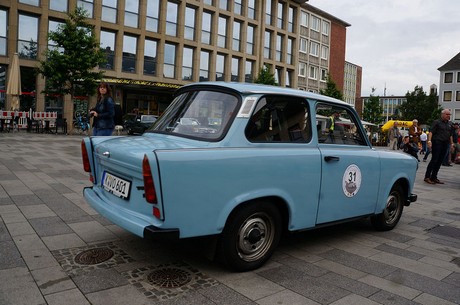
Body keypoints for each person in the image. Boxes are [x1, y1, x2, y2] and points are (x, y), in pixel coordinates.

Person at [424, 109, 455, 184]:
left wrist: (452, 144)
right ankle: (427, 177)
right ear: (443, 114)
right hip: (437, 142)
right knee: (434, 160)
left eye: (449, 115)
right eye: (447, 114)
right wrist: (429, 141)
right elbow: (431, 132)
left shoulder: (450, 124)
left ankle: (434, 177)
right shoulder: (437, 122)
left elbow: (450, 135)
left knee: (440, 161)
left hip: (445, 143)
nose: (449, 116)